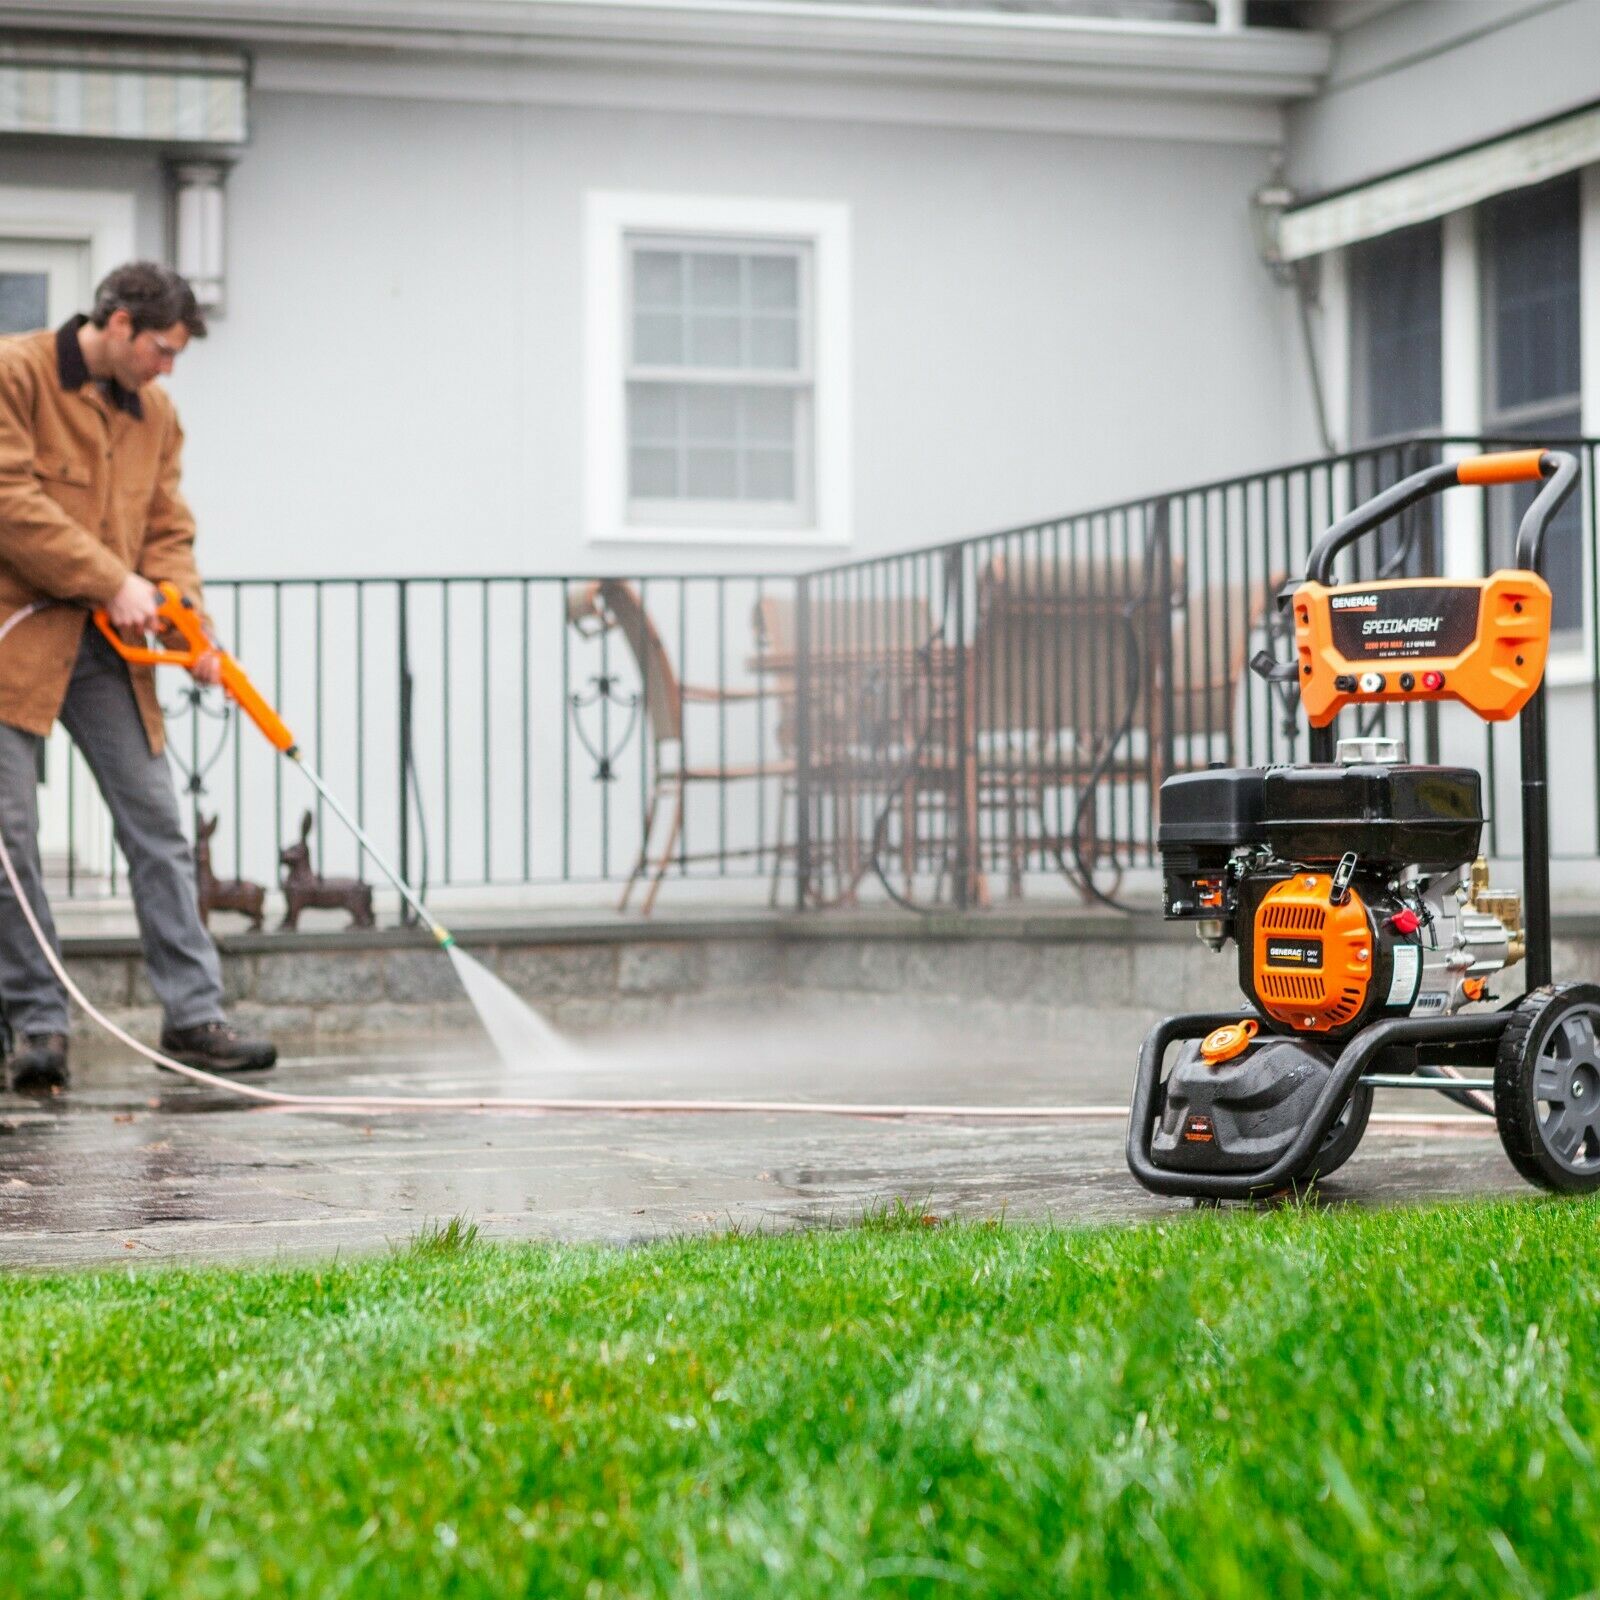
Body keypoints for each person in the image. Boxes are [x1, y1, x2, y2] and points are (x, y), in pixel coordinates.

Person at [0, 261, 276, 1093]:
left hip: (108, 649)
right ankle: (38, 1024)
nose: (169, 367)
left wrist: (187, 618)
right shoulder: (16, 374)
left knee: (157, 822)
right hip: (15, 639)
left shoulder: (156, 415)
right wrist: (111, 580)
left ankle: (194, 1017)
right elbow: (10, 502)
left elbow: (166, 530)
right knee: (9, 838)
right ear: (118, 323)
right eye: (163, 349)